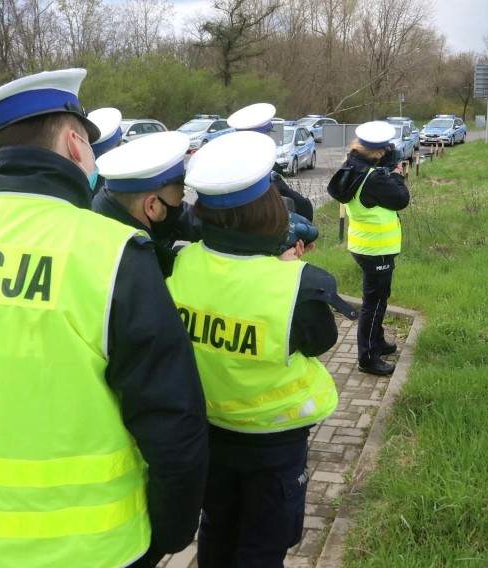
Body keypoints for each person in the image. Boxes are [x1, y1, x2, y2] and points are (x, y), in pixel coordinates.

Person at [0, 68, 209, 568]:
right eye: (91, 145)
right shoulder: (112, 257)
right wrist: (171, 535)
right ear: (73, 145)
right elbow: (173, 424)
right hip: (88, 552)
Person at [165, 130, 356, 568]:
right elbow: (321, 340)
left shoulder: (182, 261)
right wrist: (285, 269)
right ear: (271, 209)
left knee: (216, 528)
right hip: (274, 444)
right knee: (263, 546)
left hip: (208, 431)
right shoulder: (298, 284)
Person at [332, 121, 409, 376]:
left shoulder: (354, 167)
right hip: (376, 250)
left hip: (362, 244)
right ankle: (367, 358)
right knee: (373, 304)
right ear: (379, 152)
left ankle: (377, 342)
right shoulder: (373, 178)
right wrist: (397, 175)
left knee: (378, 299)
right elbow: (401, 199)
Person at [93, 131, 197, 277]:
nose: (180, 208)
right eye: (179, 200)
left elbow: (185, 219)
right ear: (151, 206)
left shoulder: (104, 211)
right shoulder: (136, 271)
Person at [227, 102, 315, 221]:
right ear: (263, 136)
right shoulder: (265, 170)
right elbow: (301, 205)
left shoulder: (227, 165)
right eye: (269, 132)